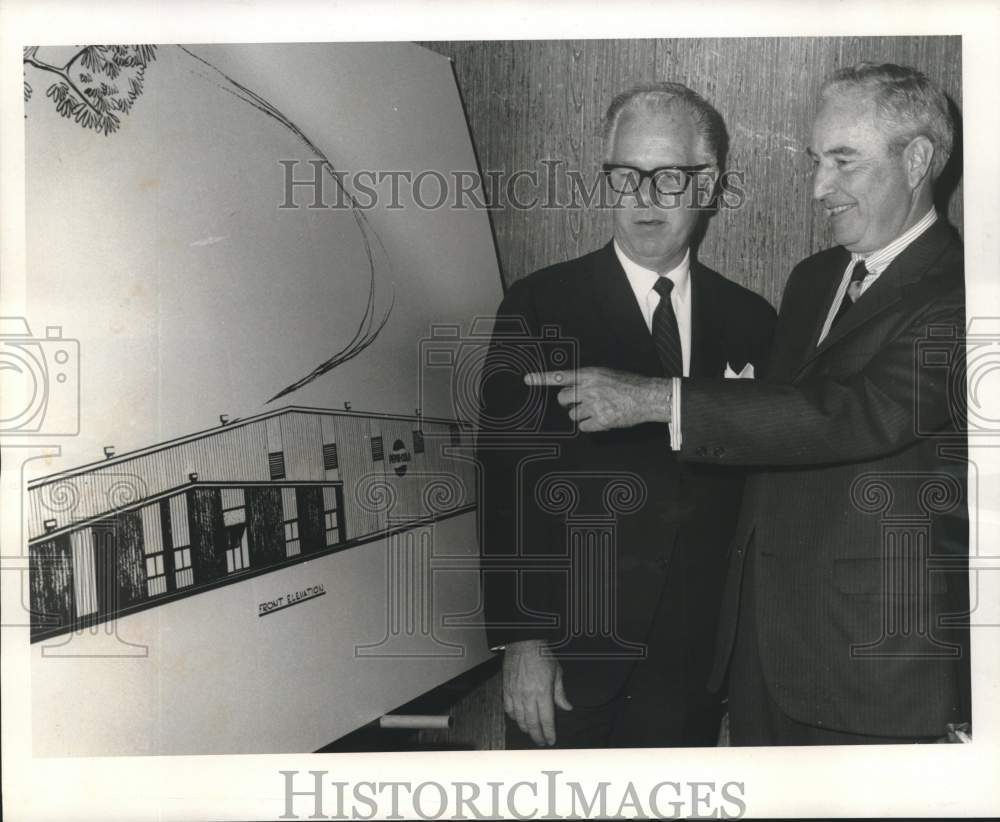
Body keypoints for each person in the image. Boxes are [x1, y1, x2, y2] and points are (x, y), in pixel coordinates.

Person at [527, 63, 969, 745]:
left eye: (843, 162)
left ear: (916, 160)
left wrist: (655, 398)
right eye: (815, 161)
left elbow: (846, 414)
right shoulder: (814, 279)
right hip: (761, 661)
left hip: (873, 670)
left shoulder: (968, 298)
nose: (820, 188)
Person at [477, 82, 776, 748]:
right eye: (625, 176)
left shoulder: (753, 321)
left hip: (693, 666)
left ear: (709, 186)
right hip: (568, 663)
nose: (644, 199)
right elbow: (505, 484)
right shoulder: (537, 306)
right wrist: (521, 640)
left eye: (669, 176)